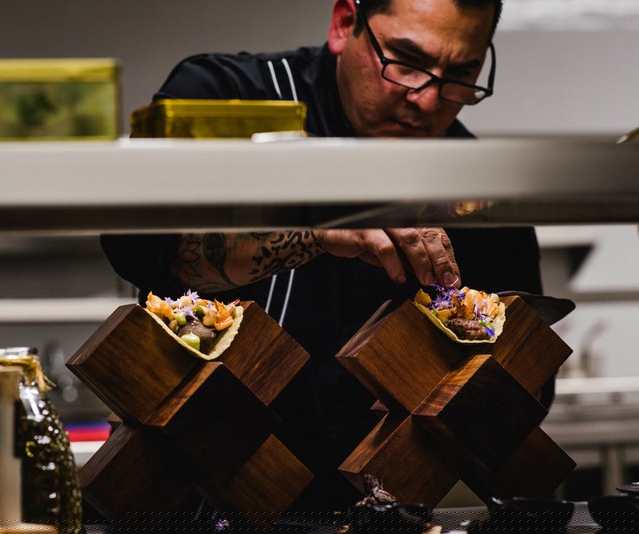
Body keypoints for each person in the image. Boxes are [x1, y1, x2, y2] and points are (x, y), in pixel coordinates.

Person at [103, 0, 545, 511]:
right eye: (405, 61)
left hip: (377, 510)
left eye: (462, 74)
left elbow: (521, 392)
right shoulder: (224, 95)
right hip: (194, 497)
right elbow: (141, 247)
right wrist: (317, 231)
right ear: (344, 23)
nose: (426, 100)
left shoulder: (475, 190)